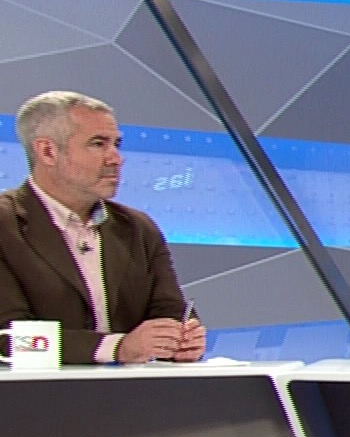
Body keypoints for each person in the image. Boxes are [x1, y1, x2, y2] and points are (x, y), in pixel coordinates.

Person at [0, 91, 204, 365]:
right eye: (98, 144)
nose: (116, 158)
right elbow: (8, 340)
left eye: (116, 144)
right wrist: (116, 347)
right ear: (48, 151)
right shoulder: (6, 224)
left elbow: (170, 311)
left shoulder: (137, 228)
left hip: (133, 390)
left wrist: (180, 339)